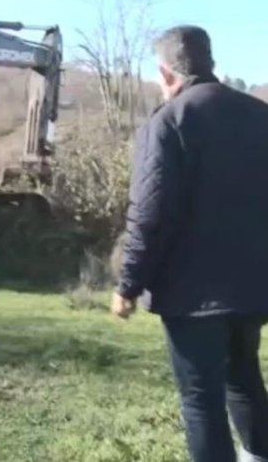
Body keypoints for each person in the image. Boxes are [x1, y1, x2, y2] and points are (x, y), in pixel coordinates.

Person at [112, 25, 268, 462]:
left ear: (166, 74)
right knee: (244, 378)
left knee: (201, 399)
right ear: (209, 61)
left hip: (193, 296)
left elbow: (149, 215)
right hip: (254, 287)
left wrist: (127, 285)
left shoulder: (169, 122)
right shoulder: (261, 117)